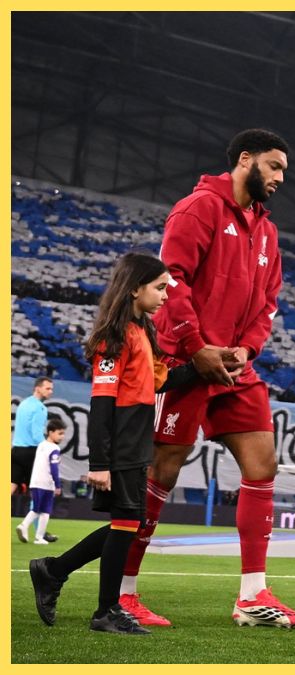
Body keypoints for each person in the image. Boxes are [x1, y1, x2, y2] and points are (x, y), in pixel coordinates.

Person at [117, 129, 295, 629]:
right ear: (244, 160)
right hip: (184, 362)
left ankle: (252, 595)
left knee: (262, 464)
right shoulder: (198, 207)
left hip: (235, 366)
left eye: (284, 170)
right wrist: (197, 346)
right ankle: (123, 591)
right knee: (162, 470)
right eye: (273, 166)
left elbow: (267, 303)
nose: (279, 178)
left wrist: (246, 349)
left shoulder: (267, 231)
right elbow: (170, 280)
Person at [29, 252, 196, 634]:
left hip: (138, 439)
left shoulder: (143, 332)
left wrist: (203, 371)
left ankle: (53, 571)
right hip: (121, 441)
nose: (166, 295)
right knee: (127, 523)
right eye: (160, 287)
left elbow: (160, 382)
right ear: (135, 288)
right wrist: (98, 462)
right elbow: (100, 405)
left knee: (128, 523)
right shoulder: (113, 338)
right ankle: (104, 610)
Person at [16, 416, 66, 545]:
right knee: (43, 510)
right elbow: (54, 468)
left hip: (35, 482)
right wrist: (57, 484)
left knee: (40, 509)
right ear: (51, 432)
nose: (62, 437)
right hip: (46, 484)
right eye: (60, 433)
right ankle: (29, 530)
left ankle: (34, 534)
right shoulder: (54, 449)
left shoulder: (41, 445)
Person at [12, 377, 53, 497]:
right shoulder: (40, 408)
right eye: (48, 388)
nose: (51, 391)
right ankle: (36, 515)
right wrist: (48, 448)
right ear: (37, 389)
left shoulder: (23, 403)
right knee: (38, 487)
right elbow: (36, 435)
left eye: (51, 389)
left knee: (11, 484)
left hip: (16, 451)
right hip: (31, 452)